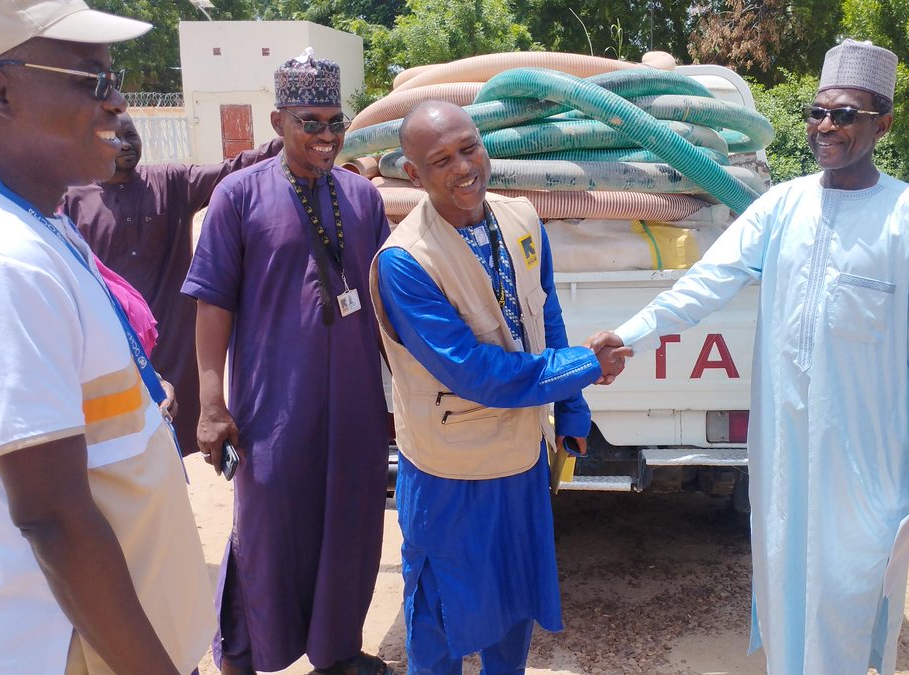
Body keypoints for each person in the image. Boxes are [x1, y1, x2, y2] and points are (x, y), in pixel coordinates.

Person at [587, 39, 909, 674]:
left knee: (854, 584)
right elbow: (704, 285)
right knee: (786, 581)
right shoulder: (782, 205)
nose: (826, 127)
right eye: (818, 113)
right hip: (786, 449)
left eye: (845, 115)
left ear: (883, 123)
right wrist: (628, 335)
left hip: (870, 454)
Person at [0, 0, 215, 673]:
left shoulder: (35, 219)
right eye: (94, 82)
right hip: (78, 647)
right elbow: (52, 516)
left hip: (112, 633)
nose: (118, 104)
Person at [370, 101, 624, 674]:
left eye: (470, 148)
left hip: (521, 455)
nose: (464, 168)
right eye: (441, 160)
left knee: (514, 601)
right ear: (414, 176)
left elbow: (545, 319)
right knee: (440, 613)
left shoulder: (520, 218)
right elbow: (473, 373)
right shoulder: (405, 262)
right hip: (449, 467)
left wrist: (573, 413)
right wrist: (585, 366)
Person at [182, 50, 392, 675]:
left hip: (354, 403)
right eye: (311, 122)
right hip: (274, 404)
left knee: (350, 524)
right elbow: (212, 303)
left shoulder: (362, 197)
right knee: (269, 528)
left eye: (336, 122)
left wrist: (401, 395)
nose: (326, 136)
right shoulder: (238, 197)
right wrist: (212, 405)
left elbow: (384, 301)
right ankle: (247, 653)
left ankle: (337, 651)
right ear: (278, 120)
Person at [63, 112, 282, 454]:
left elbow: (232, 168)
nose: (124, 144)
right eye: (112, 136)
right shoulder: (72, 200)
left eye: (131, 135)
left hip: (173, 343)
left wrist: (291, 135)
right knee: (121, 446)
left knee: (171, 442)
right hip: (111, 345)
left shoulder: (170, 182)